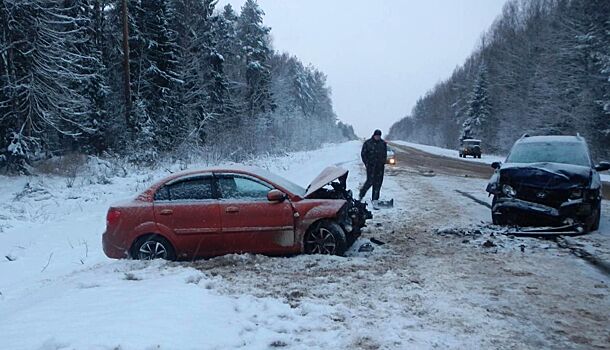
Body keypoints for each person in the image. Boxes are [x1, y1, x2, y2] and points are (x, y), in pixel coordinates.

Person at [359, 129, 387, 204]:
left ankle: (375, 200)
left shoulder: (383, 143)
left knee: (378, 183)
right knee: (370, 182)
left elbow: (385, 154)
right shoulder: (368, 143)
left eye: (379, 136)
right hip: (371, 167)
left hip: (380, 167)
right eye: (376, 136)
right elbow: (363, 154)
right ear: (374, 135)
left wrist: (383, 161)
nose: (377, 137)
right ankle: (361, 194)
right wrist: (367, 163)